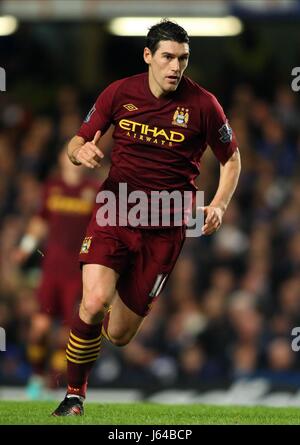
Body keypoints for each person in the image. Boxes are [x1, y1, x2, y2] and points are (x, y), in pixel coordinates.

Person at [52, 19, 241, 416]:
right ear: (148, 56)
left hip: (167, 226)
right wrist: (79, 152)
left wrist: (220, 204)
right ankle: (74, 396)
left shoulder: (203, 105)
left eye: (183, 59)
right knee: (94, 299)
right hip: (116, 209)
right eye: (168, 57)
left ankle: (92, 332)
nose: (176, 67)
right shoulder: (120, 93)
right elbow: (77, 140)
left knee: (119, 334)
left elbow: (232, 159)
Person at [13, 147, 98, 398]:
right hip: (51, 269)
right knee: (39, 327)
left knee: (66, 332)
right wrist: (26, 247)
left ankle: (56, 381)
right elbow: (41, 220)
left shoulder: (93, 189)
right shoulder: (52, 187)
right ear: (63, 158)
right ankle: (37, 374)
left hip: (77, 271)